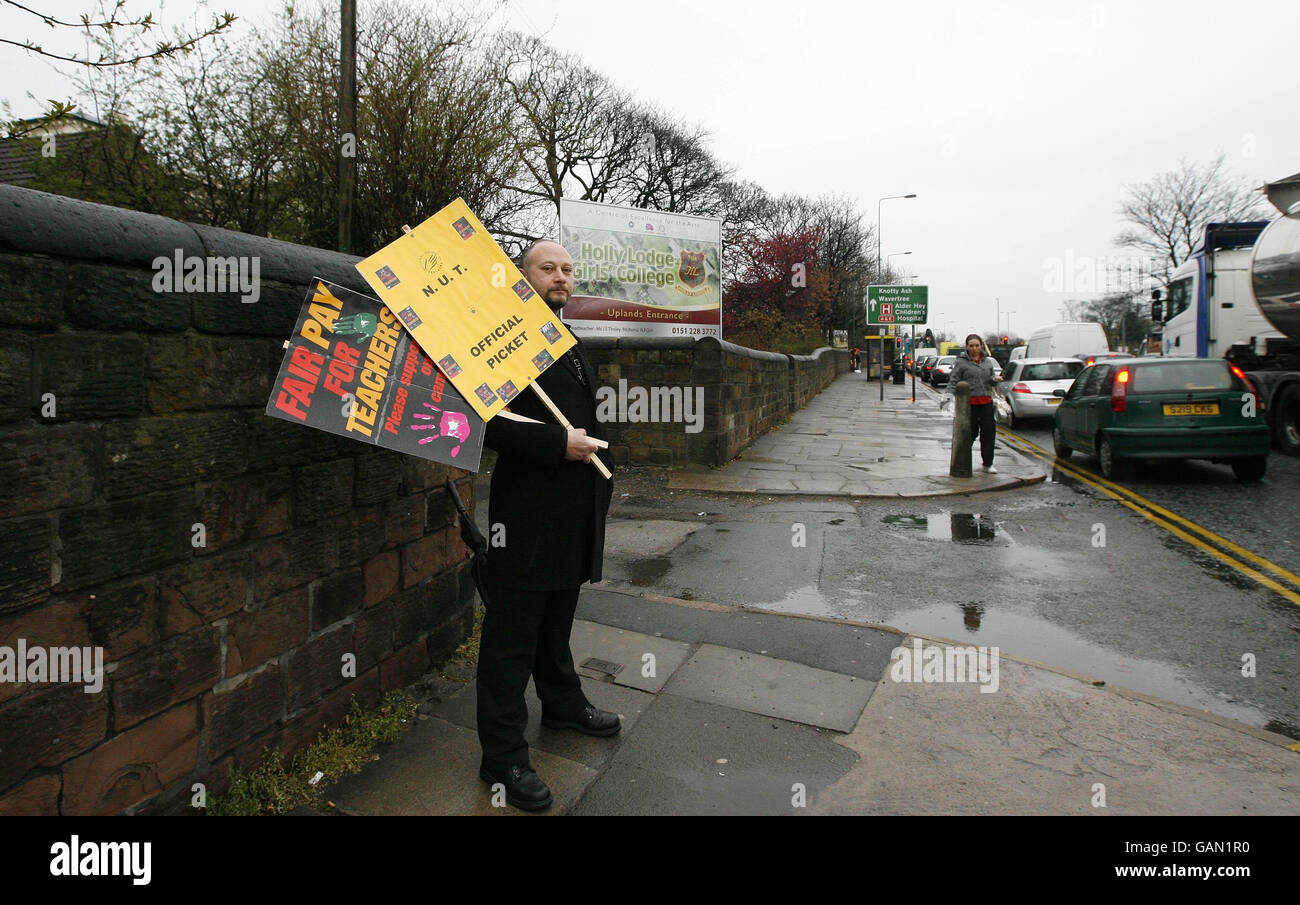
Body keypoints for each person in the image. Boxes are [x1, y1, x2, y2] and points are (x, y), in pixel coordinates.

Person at [475, 239, 618, 811]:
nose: (560, 277)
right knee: (511, 637)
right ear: (522, 275)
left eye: (565, 269)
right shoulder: (499, 343)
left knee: (556, 620)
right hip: (526, 518)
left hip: (573, 511)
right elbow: (487, 423)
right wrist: (559, 442)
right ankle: (502, 756)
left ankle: (561, 703)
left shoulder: (564, 334)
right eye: (546, 268)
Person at [940, 334, 1003, 473]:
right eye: (971, 346)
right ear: (967, 347)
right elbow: (953, 381)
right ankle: (961, 460)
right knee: (970, 434)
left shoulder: (987, 361)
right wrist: (946, 400)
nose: (975, 349)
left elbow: (990, 380)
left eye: (977, 345)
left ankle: (988, 464)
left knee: (988, 434)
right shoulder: (961, 362)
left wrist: (995, 380)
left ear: (981, 346)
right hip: (969, 405)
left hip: (986, 402)